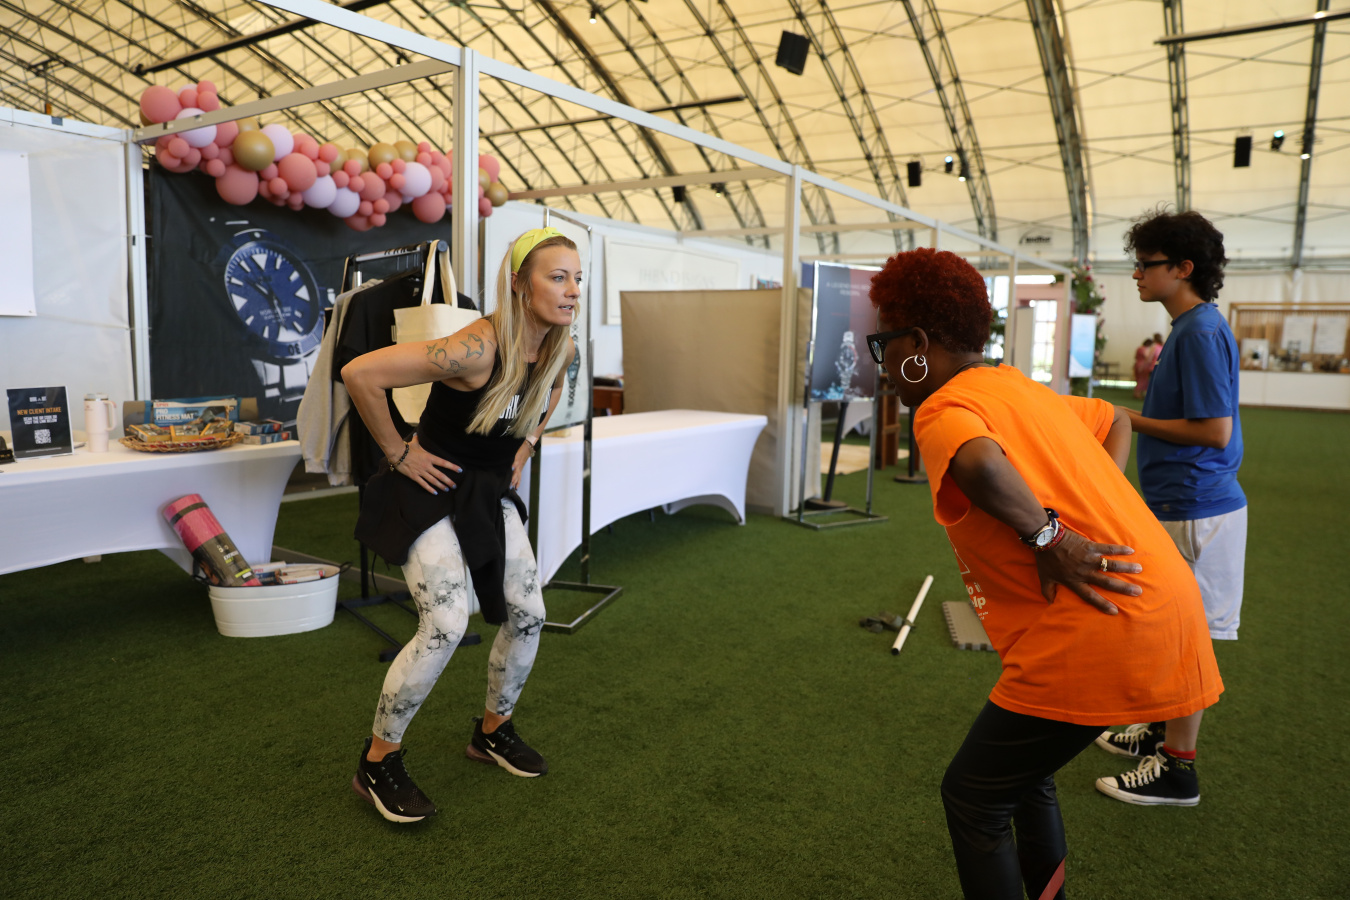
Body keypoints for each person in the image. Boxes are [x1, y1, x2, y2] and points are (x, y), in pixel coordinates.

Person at [867, 247, 1222, 900]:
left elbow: (978, 462)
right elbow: (1114, 418)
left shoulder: (942, 409)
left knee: (973, 796)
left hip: (1105, 622)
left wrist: (1051, 535)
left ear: (915, 344)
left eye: (880, 344)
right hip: (1157, 602)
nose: (881, 362)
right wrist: (1089, 502)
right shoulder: (1016, 387)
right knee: (1025, 774)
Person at [340, 227, 579, 823]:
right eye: (558, 277)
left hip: (487, 492)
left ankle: (492, 731)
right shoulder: (475, 347)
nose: (573, 290)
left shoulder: (561, 347)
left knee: (529, 613)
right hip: (430, 486)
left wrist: (523, 448)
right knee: (446, 624)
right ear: (520, 285)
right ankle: (377, 761)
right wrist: (399, 452)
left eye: (578, 278)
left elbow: (549, 394)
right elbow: (360, 373)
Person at [1093, 210, 1245, 804]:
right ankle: (1158, 733)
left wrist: (1127, 418)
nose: (1136, 274)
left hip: (1198, 507)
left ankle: (1178, 768)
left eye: (1145, 264)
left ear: (1183, 268)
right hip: (1181, 504)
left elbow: (1213, 430)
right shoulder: (1189, 328)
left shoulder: (1200, 332)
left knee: (1188, 636)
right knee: (1168, 624)